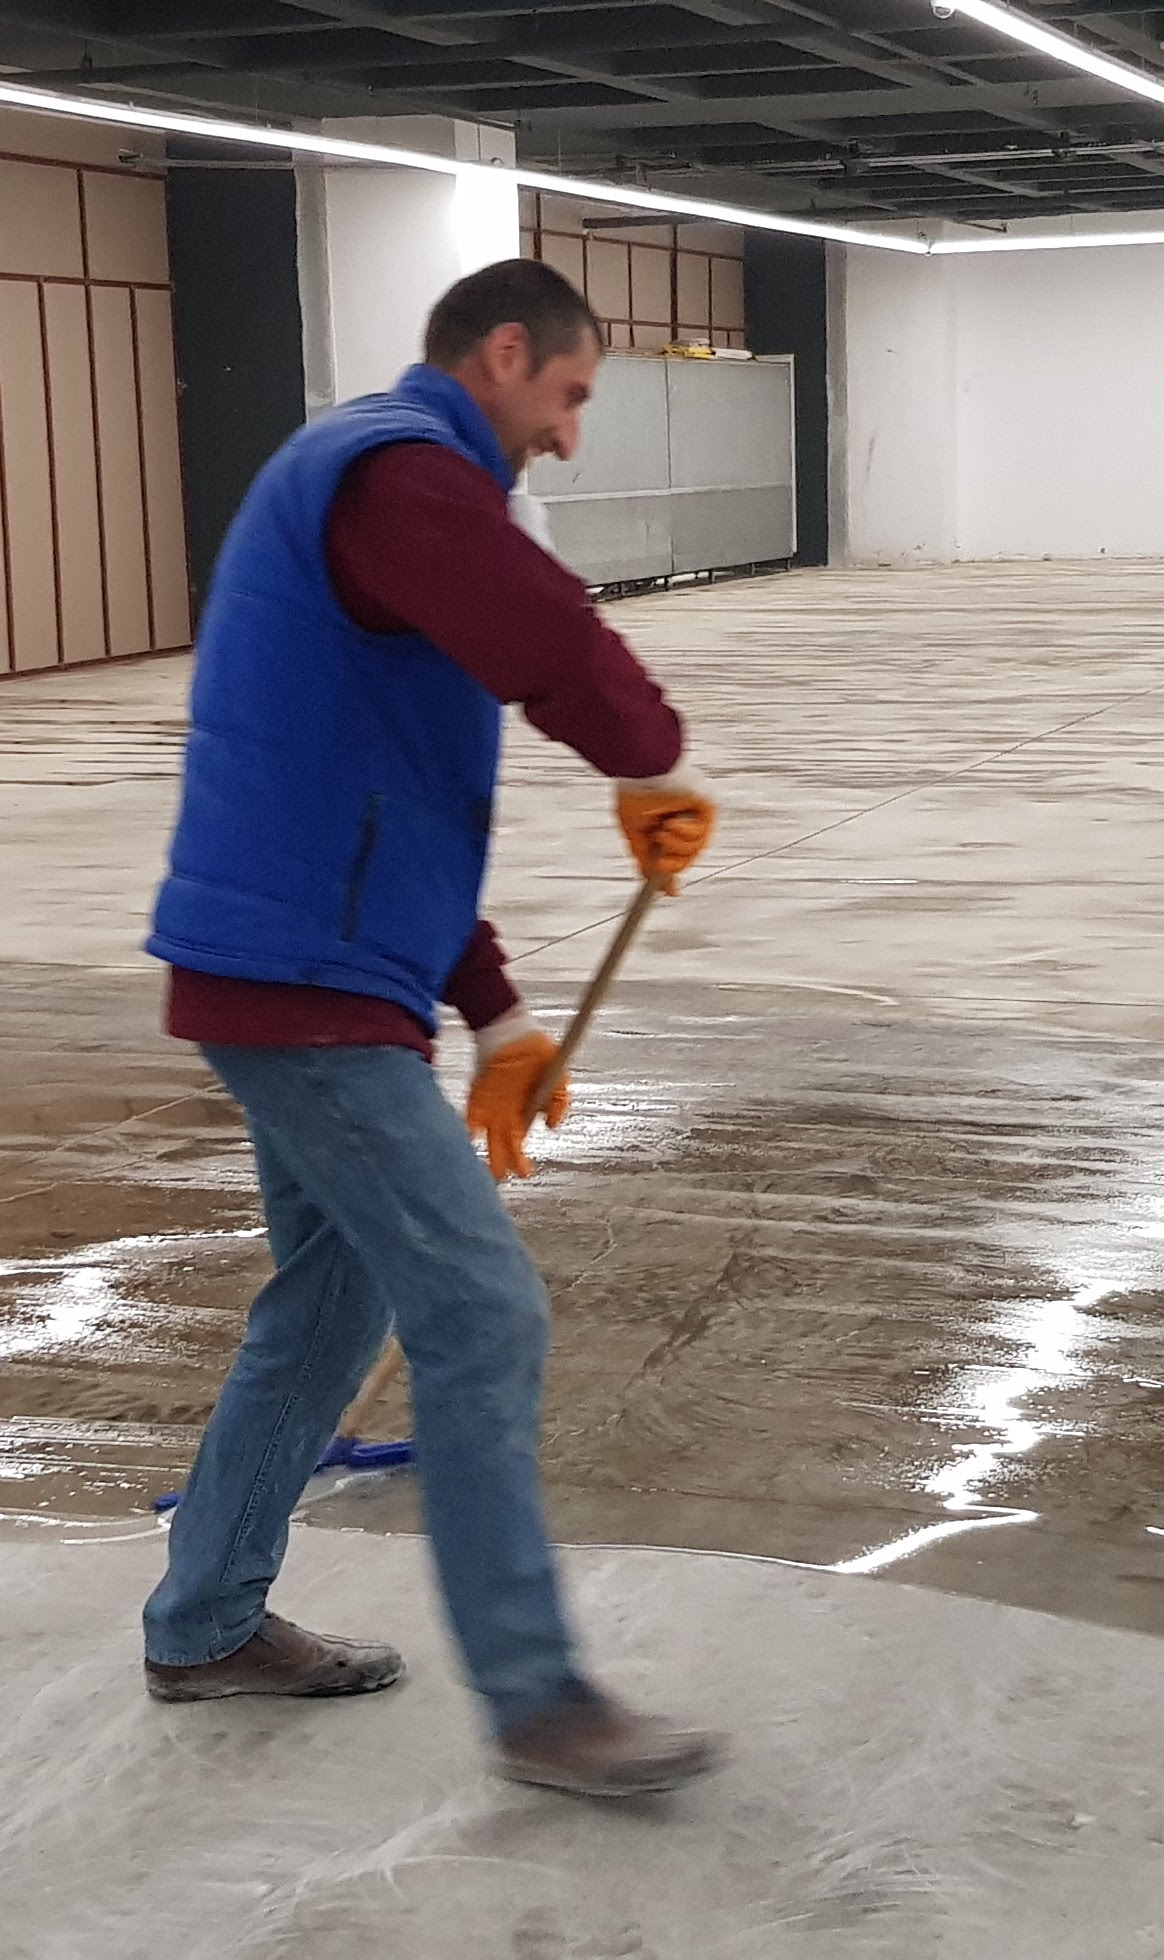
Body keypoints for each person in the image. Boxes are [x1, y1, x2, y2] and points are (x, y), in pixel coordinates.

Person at [138, 259, 721, 1797]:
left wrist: (498, 1013)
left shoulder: (378, 489)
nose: (571, 436)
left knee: (330, 1309)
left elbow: (381, 796)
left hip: (303, 973)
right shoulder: (399, 476)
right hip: (305, 993)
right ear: (505, 354)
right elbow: (548, 640)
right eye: (571, 396)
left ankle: (205, 1623)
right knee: (483, 1311)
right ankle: (540, 1702)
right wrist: (651, 758)